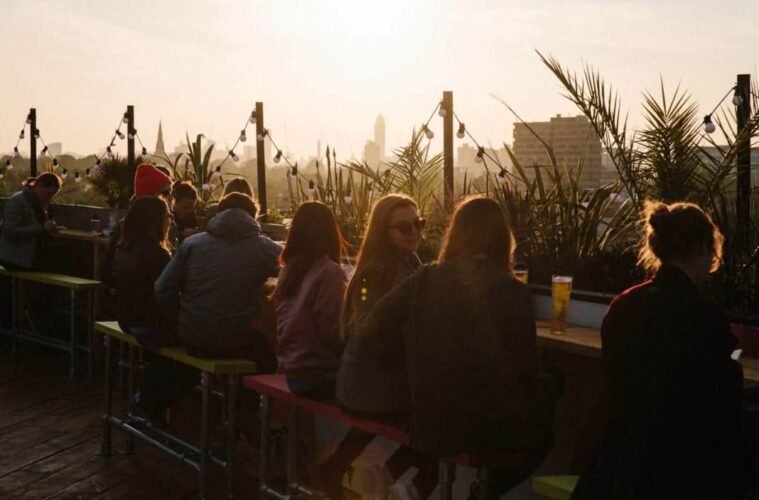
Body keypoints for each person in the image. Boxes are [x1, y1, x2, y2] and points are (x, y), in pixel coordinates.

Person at [365, 196, 555, 498]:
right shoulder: (512, 291)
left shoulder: (425, 277)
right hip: (479, 427)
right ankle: (483, 493)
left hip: (425, 420)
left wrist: (418, 349)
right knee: (543, 429)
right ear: (502, 239)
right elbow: (526, 370)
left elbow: (374, 322)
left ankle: (412, 488)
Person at [571, 201, 747, 500]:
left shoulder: (623, 306)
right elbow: (723, 391)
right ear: (704, 249)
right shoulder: (703, 316)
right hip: (683, 469)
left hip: (620, 466)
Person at [330, 194, 437, 500]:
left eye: (419, 224)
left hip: (369, 384)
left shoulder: (408, 263)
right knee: (443, 424)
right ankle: (396, 486)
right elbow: (365, 330)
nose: (415, 232)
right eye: (404, 228)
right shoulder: (375, 272)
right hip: (367, 387)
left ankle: (364, 476)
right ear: (383, 232)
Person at [155, 192, 280, 368]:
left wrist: (185, 315)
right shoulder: (264, 247)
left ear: (219, 213)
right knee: (270, 354)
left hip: (192, 335)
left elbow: (162, 289)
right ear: (253, 218)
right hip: (237, 336)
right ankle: (252, 394)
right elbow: (297, 271)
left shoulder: (192, 244)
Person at [272, 201, 347, 400]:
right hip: (318, 375)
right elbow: (330, 332)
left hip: (292, 370)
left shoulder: (289, 270)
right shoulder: (329, 272)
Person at [113, 197, 173, 348]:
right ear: (155, 221)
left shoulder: (124, 250)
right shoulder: (158, 254)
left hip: (126, 321)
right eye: (167, 216)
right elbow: (168, 294)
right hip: (150, 327)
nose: (170, 221)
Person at [0, 173, 61, 270]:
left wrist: (49, 229)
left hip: (29, 255)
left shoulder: (39, 203)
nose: (49, 198)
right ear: (39, 186)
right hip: (15, 258)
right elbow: (10, 232)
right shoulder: (18, 201)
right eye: (49, 194)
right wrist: (42, 227)